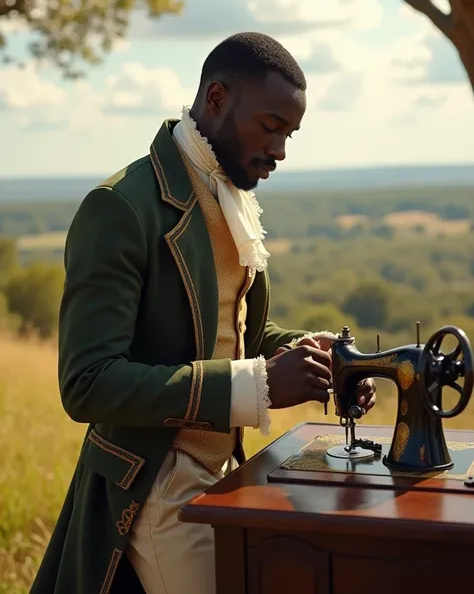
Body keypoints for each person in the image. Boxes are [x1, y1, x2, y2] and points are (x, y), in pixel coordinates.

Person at [30, 32, 376, 594]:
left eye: (289, 133)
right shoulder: (119, 207)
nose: (281, 150)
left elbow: (235, 334)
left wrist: (315, 354)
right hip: (153, 487)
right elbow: (86, 384)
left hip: (224, 470)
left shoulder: (229, 195)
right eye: (270, 126)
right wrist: (259, 384)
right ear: (216, 98)